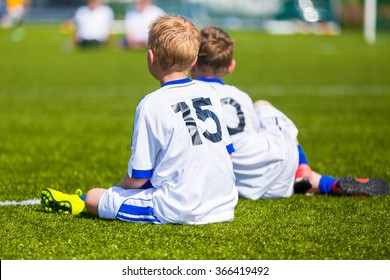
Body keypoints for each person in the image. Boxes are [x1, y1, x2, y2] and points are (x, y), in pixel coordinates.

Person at [41, 15, 238, 225]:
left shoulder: (151, 104)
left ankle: (82, 201)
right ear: (194, 60)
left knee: (94, 197)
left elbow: (138, 178)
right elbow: (228, 155)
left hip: (181, 208)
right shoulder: (209, 92)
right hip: (225, 203)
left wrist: (114, 191)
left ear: (151, 57)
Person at [190, 26, 389, 199]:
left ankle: (318, 180)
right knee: (262, 105)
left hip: (241, 180)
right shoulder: (239, 96)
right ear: (231, 66)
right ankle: (311, 172)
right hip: (281, 160)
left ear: (192, 62)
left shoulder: (188, 96)